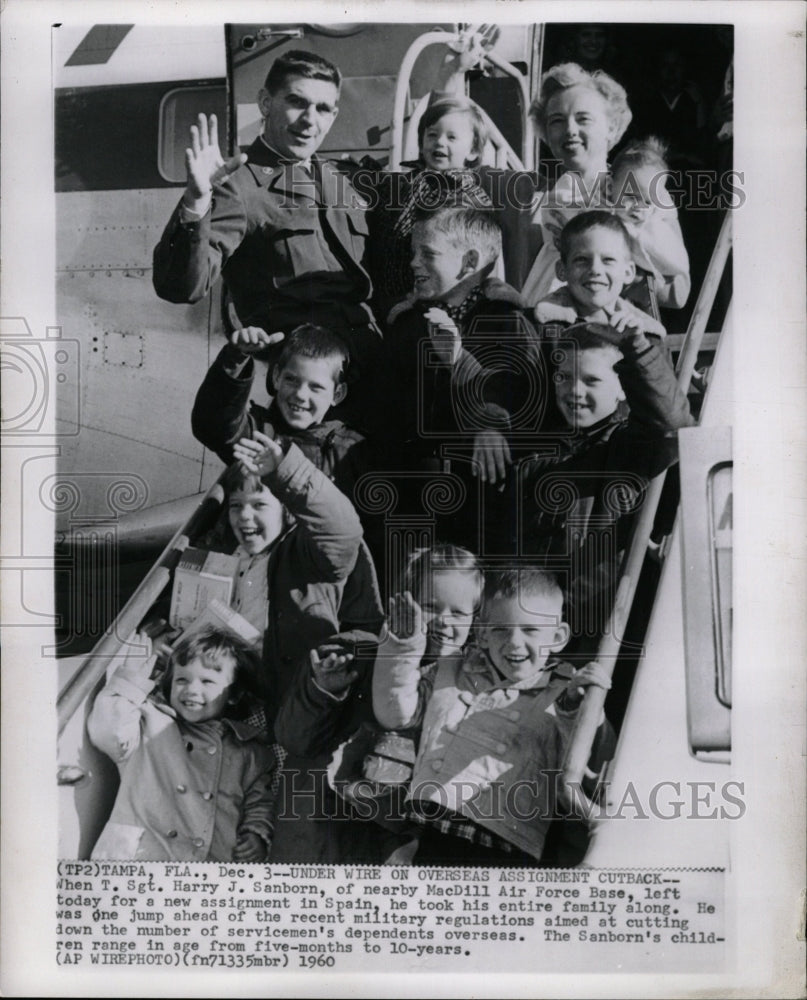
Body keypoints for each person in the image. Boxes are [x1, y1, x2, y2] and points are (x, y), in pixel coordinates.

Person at [152, 50, 382, 431]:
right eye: (296, 102)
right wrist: (196, 201)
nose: (310, 120)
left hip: (372, 377)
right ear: (265, 103)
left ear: (335, 115)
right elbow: (183, 287)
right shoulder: (239, 187)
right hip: (310, 399)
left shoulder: (343, 180)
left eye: (323, 108)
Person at [372, 567, 614, 866]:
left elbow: (594, 762)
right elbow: (396, 713)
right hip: (430, 830)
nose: (513, 642)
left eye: (530, 630)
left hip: (503, 848)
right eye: (501, 629)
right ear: (483, 634)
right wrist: (402, 646)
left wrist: (578, 707)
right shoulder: (453, 668)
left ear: (558, 637)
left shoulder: (564, 693)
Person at [269, 544, 482, 863]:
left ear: (476, 619)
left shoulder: (471, 687)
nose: (442, 621)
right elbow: (293, 738)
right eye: (429, 606)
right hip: (321, 829)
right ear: (401, 603)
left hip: (393, 842)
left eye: (459, 612)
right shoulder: (356, 654)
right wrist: (323, 692)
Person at [515, 321, 693, 636]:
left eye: (592, 380)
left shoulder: (631, 447)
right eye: (565, 377)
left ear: (623, 387)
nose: (574, 391)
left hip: (599, 625)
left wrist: (637, 351)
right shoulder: (536, 457)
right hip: (533, 624)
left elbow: (672, 423)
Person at [383, 206, 544, 551]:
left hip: (482, 500)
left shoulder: (508, 321)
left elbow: (525, 401)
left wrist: (489, 420)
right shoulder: (409, 324)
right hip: (414, 498)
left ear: (470, 262)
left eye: (428, 254)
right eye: (414, 253)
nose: (413, 263)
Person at [210, 432, 384, 719]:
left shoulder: (306, 555)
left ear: (287, 511)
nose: (244, 516)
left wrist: (286, 472)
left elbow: (343, 529)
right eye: (236, 505)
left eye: (259, 505)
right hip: (228, 691)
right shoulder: (230, 558)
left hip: (284, 702)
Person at [88, 629, 279, 862]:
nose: (191, 690)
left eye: (207, 681)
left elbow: (260, 802)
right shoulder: (149, 722)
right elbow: (107, 731)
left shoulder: (250, 751)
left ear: (233, 694)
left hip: (207, 868)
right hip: (140, 860)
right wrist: (130, 681)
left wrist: (256, 833)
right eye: (181, 679)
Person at [191, 324, 371, 501]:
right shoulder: (261, 435)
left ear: (337, 394)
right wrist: (236, 357)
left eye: (316, 387)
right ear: (276, 377)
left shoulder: (351, 451)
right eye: (291, 380)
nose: (300, 394)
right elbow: (214, 425)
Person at [368, 97, 493, 320]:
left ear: (473, 151)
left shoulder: (469, 195)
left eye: (451, 137)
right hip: (389, 289)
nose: (439, 142)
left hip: (436, 300)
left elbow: (482, 254)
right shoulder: (406, 183)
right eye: (432, 134)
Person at [522, 62, 633, 307]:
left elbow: (677, 288)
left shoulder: (633, 190)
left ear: (611, 127)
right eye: (557, 121)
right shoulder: (545, 200)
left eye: (583, 119)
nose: (570, 130)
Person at [534, 210, 668, 338]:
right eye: (581, 260)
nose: (595, 269)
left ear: (628, 272)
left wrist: (639, 347)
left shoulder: (647, 333)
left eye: (608, 260)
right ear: (562, 271)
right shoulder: (537, 328)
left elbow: (661, 362)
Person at [611, 138, 691, 309]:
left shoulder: (657, 224)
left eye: (648, 202)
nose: (639, 207)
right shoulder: (604, 215)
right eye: (630, 197)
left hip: (643, 305)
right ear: (611, 188)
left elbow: (678, 293)